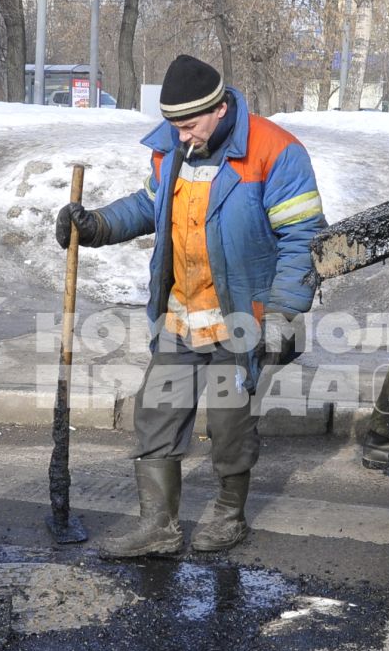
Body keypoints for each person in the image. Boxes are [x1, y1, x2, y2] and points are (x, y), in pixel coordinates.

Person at [54, 54, 323, 556]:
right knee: (156, 412)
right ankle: (158, 526)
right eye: (173, 125)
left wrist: (285, 312)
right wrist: (94, 226)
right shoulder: (171, 149)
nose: (181, 136)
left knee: (228, 424)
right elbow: (148, 205)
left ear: (220, 108)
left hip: (243, 318)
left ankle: (228, 515)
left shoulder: (274, 151)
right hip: (182, 315)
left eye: (190, 124)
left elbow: (303, 237)